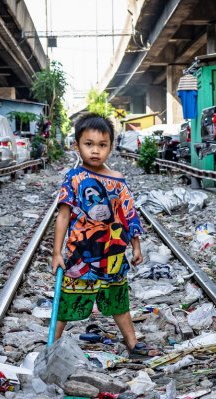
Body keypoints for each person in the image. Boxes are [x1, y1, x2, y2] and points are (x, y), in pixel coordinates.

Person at [51, 112, 160, 358]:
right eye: (88, 144)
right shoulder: (74, 178)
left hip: (112, 256)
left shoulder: (118, 181)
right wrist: (57, 253)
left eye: (102, 145)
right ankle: (51, 346)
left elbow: (129, 214)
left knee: (118, 301)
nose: (95, 151)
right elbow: (63, 216)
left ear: (111, 146)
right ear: (76, 144)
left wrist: (136, 246)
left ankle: (132, 343)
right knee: (67, 302)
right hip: (79, 258)